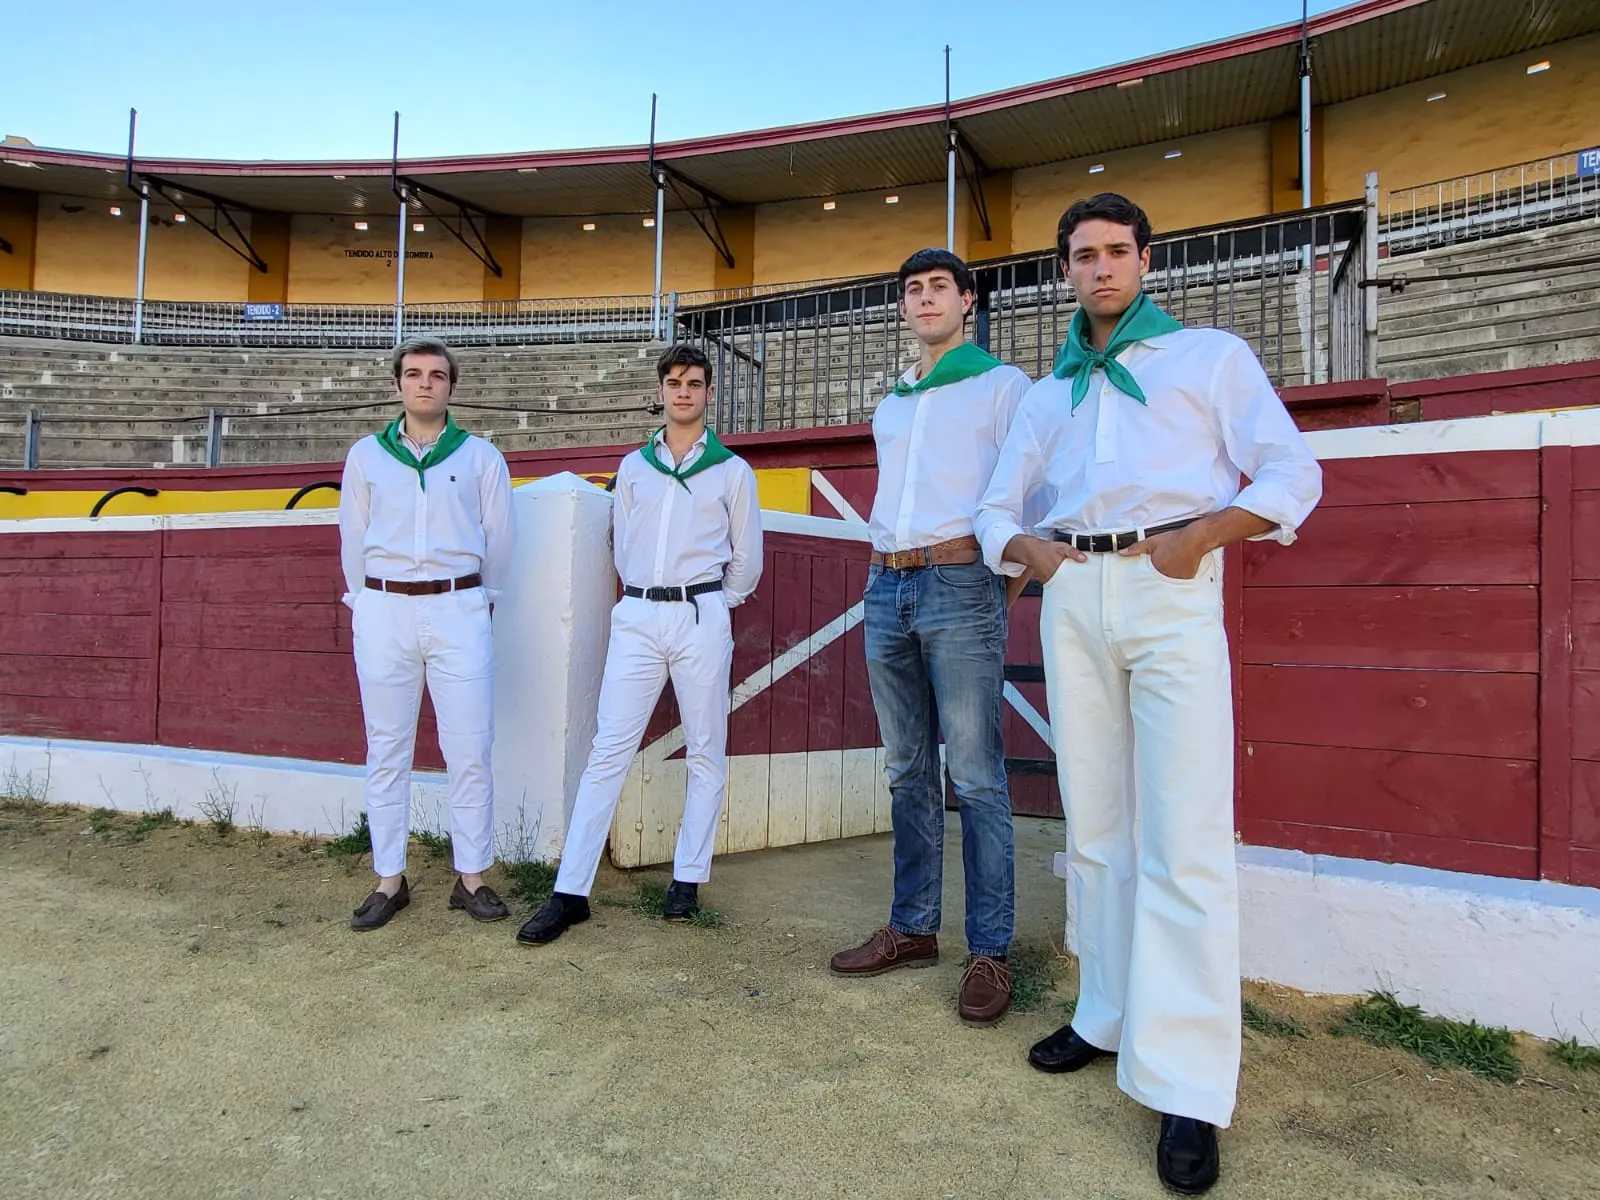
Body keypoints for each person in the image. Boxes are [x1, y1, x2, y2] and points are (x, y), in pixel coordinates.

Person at [974, 193, 1322, 1195]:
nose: (1100, 268)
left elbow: (1289, 471)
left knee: (1184, 832)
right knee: (1094, 824)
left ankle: (1188, 1084)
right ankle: (1106, 1015)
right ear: (1065, 271)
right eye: (1081, 255)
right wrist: (1026, 546)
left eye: (1116, 252)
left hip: (1169, 589)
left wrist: (1201, 537)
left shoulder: (1208, 357)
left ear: (1146, 259)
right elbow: (996, 505)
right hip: (1075, 593)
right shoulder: (1048, 395)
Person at [828, 247, 1032, 1027]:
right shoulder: (894, 402)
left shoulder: (1002, 385)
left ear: (967, 301)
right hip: (887, 580)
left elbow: (1030, 493)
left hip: (957, 580)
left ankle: (991, 948)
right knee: (908, 768)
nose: (922, 299)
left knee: (977, 773)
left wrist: (997, 582)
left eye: (937, 287)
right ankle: (914, 928)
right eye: (911, 290)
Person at [517, 344, 763, 945]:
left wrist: (709, 603)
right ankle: (570, 891)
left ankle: (687, 878)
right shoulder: (634, 467)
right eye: (674, 382)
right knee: (609, 750)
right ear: (661, 390)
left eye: (695, 383)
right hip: (639, 612)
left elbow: (747, 562)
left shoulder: (732, 471)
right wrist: (650, 597)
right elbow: (621, 543)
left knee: (706, 748)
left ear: (709, 393)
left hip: (700, 612)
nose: (684, 392)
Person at [338, 336, 516, 932]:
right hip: (385, 607)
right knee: (386, 749)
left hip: (457, 604)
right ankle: (390, 879)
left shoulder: (481, 457)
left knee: (470, 748)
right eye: (413, 374)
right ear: (397, 385)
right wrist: (364, 603)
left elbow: (500, 541)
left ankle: (473, 877)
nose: (425, 383)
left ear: (450, 387)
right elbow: (352, 539)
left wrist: (478, 601)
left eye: (436, 375)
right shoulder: (365, 455)